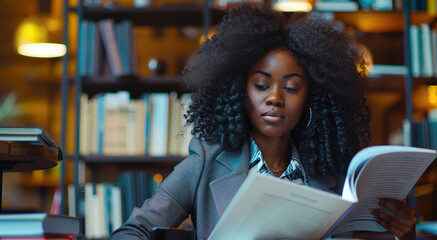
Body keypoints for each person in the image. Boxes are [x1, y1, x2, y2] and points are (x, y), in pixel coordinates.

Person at [110, 5, 416, 240]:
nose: (275, 98)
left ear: (311, 97)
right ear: (240, 92)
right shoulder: (205, 160)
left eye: (292, 87)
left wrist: (404, 234)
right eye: (261, 85)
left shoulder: (334, 174)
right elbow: (131, 232)